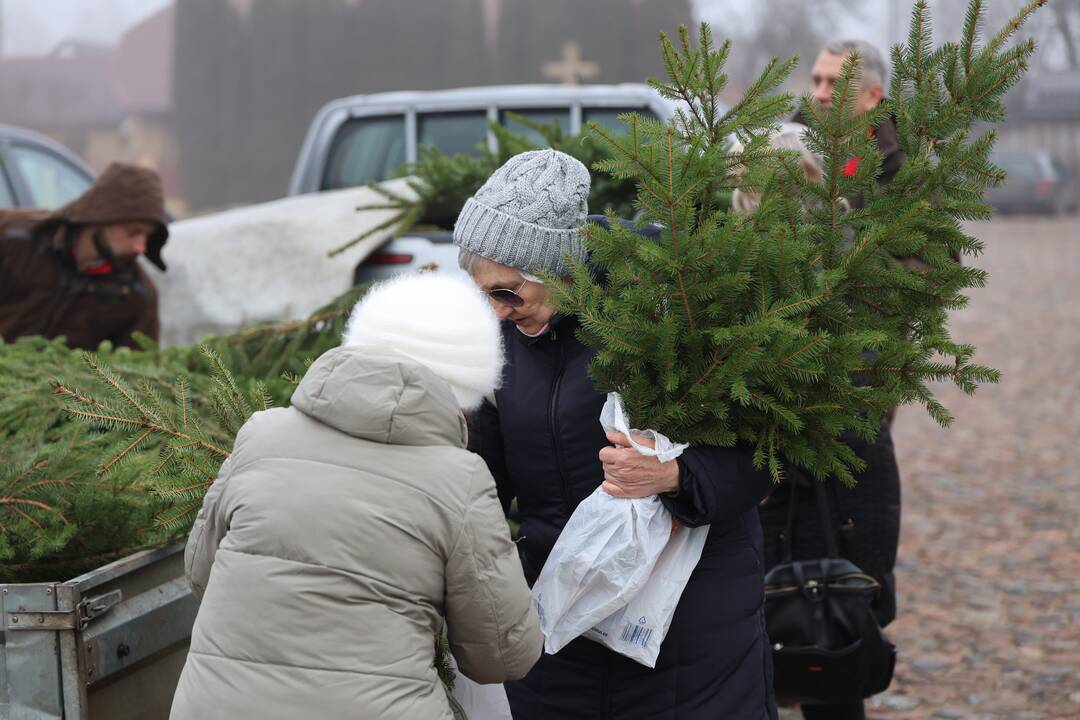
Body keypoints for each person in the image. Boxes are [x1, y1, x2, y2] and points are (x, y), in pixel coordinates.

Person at [457, 148, 778, 719]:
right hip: (561, 622)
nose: (496, 310)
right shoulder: (498, 341)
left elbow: (769, 451)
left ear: (559, 270)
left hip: (686, 630)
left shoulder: (670, 306)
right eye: (482, 293)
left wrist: (676, 474)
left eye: (508, 292)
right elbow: (483, 475)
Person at [170, 273, 543, 720]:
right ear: (468, 379)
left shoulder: (261, 435)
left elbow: (199, 574)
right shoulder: (458, 480)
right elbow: (502, 656)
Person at [748, 50, 904, 720]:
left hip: (848, 406)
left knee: (828, 605)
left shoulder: (895, 168)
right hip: (762, 435)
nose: (816, 93)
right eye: (812, 80)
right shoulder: (777, 148)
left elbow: (916, 276)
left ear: (870, 97)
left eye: (832, 84)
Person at [0, 162, 169, 350]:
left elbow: (134, 370)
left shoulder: (135, 293)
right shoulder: (13, 236)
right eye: (133, 232)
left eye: (147, 236)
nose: (140, 247)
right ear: (102, 217)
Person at [799, 39, 905, 206]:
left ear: (872, 95)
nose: (820, 94)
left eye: (835, 83)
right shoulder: (782, 150)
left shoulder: (905, 172)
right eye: (817, 81)